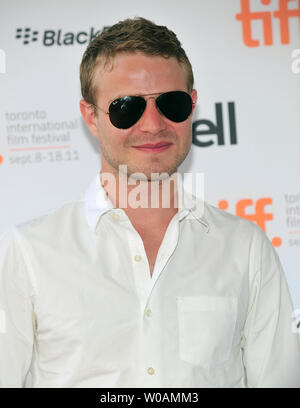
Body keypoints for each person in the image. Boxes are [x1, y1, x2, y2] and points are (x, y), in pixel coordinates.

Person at [0, 17, 300, 388]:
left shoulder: (246, 248)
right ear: (91, 117)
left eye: (171, 104)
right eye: (127, 107)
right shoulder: (32, 253)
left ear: (191, 106)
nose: (153, 124)